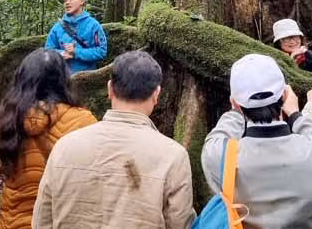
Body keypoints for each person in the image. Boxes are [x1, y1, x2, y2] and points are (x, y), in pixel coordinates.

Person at [32, 51, 195, 228]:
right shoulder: (173, 156)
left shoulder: (64, 146)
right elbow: (180, 223)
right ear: (156, 94)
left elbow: (42, 221)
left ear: (109, 89)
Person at [200, 54, 312, 229]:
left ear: (235, 103)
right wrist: (296, 116)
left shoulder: (219, 157)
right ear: (285, 95)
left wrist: (235, 112)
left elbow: (218, 136)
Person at [0, 49, 96, 229]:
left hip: (12, 221)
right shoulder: (83, 121)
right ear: (64, 80)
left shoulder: (9, 117)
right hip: (54, 220)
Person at [44, 0, 107, 74]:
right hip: (62, 78)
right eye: (65, 0)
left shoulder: (93, 25)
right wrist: (61, 54)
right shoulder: (57, 27)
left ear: (82, 1)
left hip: (87, 78)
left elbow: (101, 51)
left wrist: (76, 52)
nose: (67, 2)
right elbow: (47, 50)